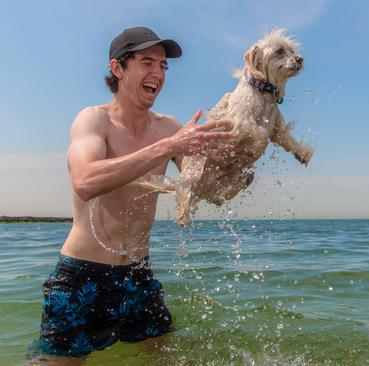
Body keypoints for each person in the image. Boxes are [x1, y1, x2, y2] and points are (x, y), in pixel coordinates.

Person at [34, 26, 252, 360]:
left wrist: (241, 162)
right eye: (147, 62)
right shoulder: (94, 120)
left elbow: (210, 191)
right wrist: (168, 146)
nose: (158, 73)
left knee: (165, 357)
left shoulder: (168, 127)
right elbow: (85, 180)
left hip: (138, 277)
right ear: (118, 68)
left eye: (163, 66)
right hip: (82, 275)